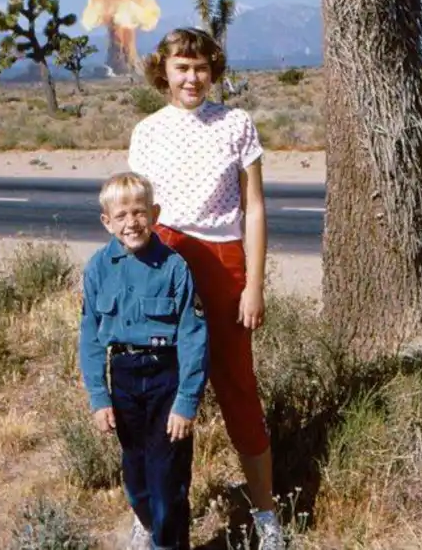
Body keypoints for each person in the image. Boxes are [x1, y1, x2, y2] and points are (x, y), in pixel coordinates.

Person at [128, 28, 284, 550]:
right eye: (181, 67)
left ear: (213, 70)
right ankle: (153, 514)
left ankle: (266, 514)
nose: (191, 78)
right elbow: (137, 215)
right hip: (163, 263)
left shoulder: (237, 124)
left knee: (237, 386)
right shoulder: (147, 131)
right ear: (164, 72)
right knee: (159, 392)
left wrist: (254, 284)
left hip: (223, 262)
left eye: (200, 67)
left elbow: (254, 208)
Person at [79, 171, 208, 550]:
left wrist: (186, 402)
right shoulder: (98, 268)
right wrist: (99, 397)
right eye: (121, 215)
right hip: (124, 378)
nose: (131, 222)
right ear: (107, 222)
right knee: (136, 477)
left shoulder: (174, 267)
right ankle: (154, 528)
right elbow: (90, 337)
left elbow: (194, 337)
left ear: (154, 214)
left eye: (139, 212)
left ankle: (168, 544)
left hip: (166, 378)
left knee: (167, 476)